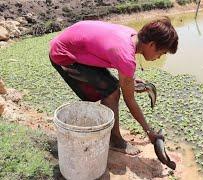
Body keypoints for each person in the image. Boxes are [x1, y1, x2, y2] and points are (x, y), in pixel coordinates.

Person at [49, 17, 179, 155]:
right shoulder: (126, 56)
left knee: (110, 88)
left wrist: (129, 80)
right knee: (112, 92)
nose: (159, 57)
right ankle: (115, 141)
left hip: (73, 43)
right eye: (161, 53)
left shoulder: (131, 34)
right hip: (64, 54)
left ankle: (102, 129)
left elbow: (111, 54)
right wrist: (149, 131)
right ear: (152, 45)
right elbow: (130, 100)